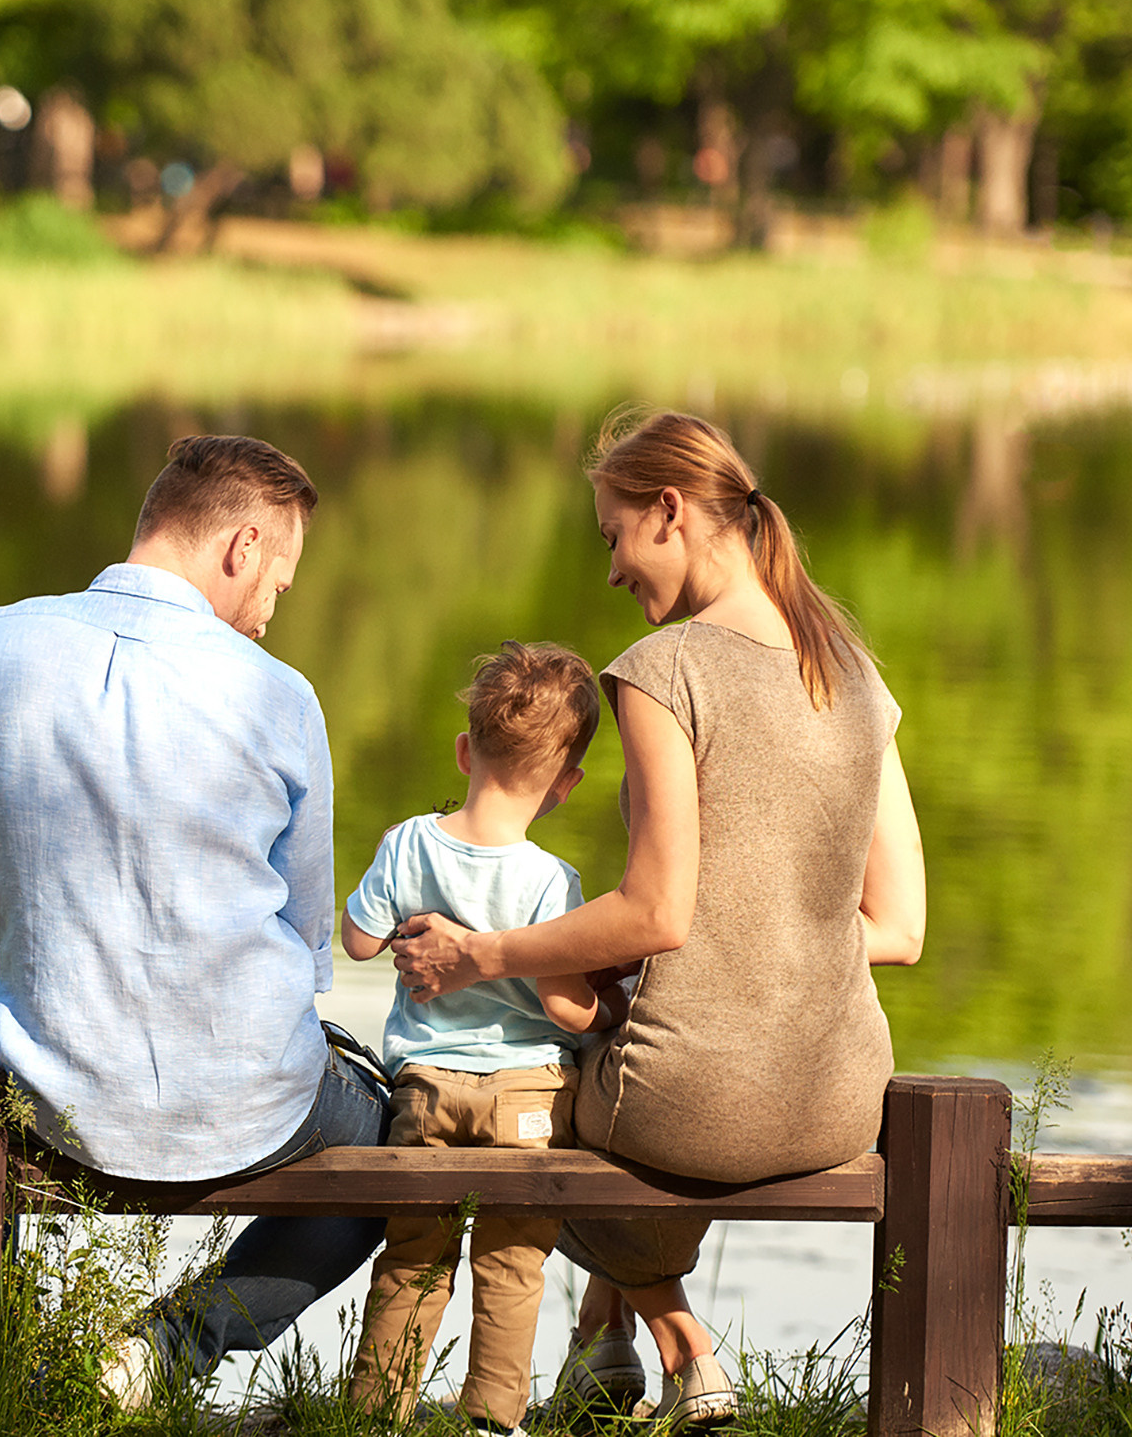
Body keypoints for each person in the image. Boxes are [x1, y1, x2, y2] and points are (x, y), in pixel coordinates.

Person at [390, 410, 928, 1431]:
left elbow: (654, 912)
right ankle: (602, 1355)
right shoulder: (854, 672)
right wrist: (757, 938)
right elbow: (898, 926)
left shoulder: (662, 670)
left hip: (694, 1112)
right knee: (633, 1062)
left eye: (611, 536)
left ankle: (687, 1351)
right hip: (841, 1097)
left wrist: (479, 955)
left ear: (669, 512)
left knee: (534, 1103)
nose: (609, 572)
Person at [0, 433, 390, 1401]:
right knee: (384, 1143)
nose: (272, 612)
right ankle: (164, 1350)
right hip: (258, 1105)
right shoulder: (283, 698)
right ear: (239, 546)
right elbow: (308, 948)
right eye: (279, 579)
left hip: (48, 1089)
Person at [341, 641, 618, 1432]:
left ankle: (375, 1414)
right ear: (566, 786)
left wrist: (395, 920)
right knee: (512, 1259)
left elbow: (358, 943)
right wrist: (610, 1018)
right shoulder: (550, 881)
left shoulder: (406, 843)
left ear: (465, 750)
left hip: (426, 1089)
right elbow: (566, 1011)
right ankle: (493, 1420)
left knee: (414, 1255)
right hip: (528, 1098)